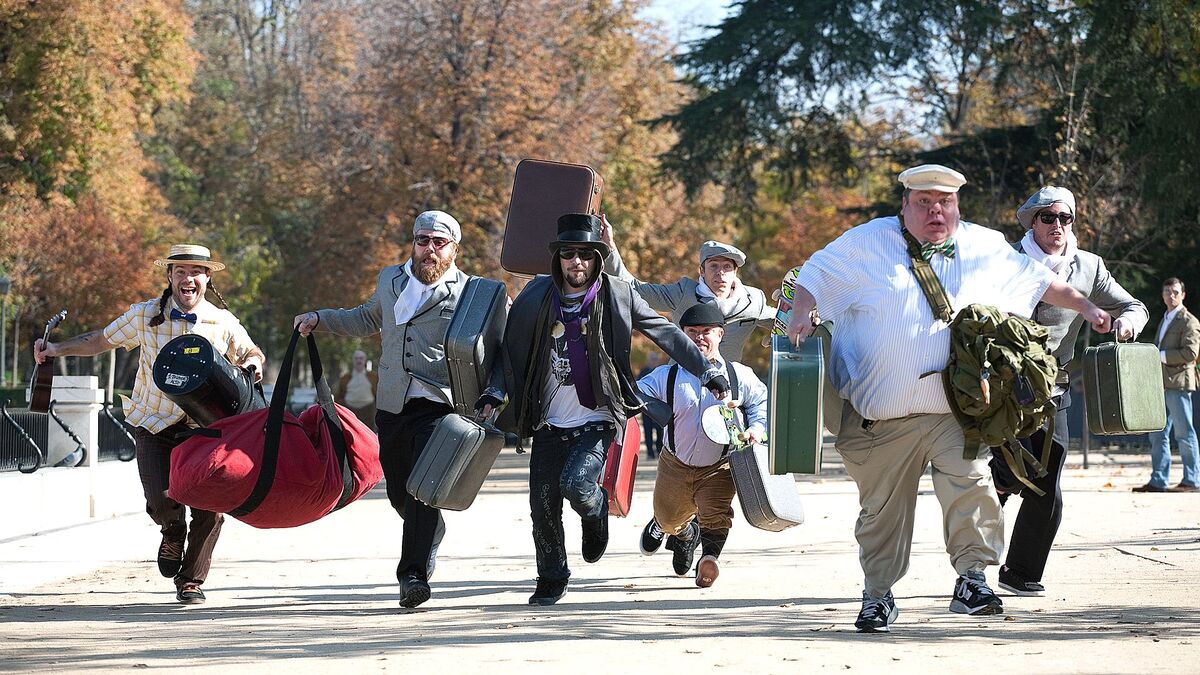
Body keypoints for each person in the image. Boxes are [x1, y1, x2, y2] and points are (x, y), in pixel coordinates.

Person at [785, 164, 1114, 633]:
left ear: (957, 205)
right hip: (882, 417)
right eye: (924, 203)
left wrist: (1086, 306)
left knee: (972, 487)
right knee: (882, 512)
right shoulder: (866, 242)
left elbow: (1039, 282)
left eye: (946, 203)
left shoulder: (983, 246)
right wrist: (802, 310)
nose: (936, 211)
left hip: (954, 412)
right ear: (905, 204)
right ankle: (878, 594)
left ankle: (973, 578)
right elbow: (814, 273)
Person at [476, 213, 729, 606]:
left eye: (586, 254)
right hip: (547, 421)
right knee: (542, 507)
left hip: (597, 417)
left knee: (577, 484)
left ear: (597, 257)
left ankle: (594, 513)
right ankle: (552, 577)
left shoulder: (617, 295)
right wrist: (493, 393)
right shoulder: (535, 296)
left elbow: (666, 333)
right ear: (558, 258)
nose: (577, 262)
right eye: (569, 254)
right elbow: (509, 354)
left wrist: (706, 370)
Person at [33, 244, 264, 605]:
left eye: (196, 271)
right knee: (160, 501)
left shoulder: (223, 321)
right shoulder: (144, 316)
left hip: (205, 429)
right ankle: (172, 531)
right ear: (170, 277)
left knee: (212, 508)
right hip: (153, 423)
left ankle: (191, 580)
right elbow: (100, 340)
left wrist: (253, 366)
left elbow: (252, 352)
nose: (188, 278)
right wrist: (56, 349)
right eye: (180, 271)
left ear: (207, 278)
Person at [293, 210, 469, 608]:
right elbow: (365, 318)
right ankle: (432, 531)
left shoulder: (468, 292)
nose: (429, 249)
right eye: (422, 240)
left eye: (439, 243)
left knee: (424, 489)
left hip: (440, 406)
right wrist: (320, 319)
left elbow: (491, 342)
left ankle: (412, 575)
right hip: (392, 404)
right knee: (400, 494)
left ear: (453, 249)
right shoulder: (391, 280)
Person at [991, 186, 1147, 597]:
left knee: (1047, 486)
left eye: (1065, 218)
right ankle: (971, 568)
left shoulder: (1088, 267)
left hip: (1053, 389)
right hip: (1001, 387)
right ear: (1031, 221)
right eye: (1048, 217)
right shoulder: (1007, 260)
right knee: (1001, 477)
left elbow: (1134, 306)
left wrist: (1125, 326)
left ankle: (1020, 571)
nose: (1057, 225)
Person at [635, 303, 767, 588]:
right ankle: (677, 532)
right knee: (670, 517)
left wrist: (756, 429)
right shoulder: (666, 376)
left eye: (706, 331)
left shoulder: (738, 376)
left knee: (716, 513)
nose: (699, 337)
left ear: (720, 334)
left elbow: (760, 402)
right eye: (691, 332)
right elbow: (635, 395)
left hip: (719, 466)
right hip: (675, 463)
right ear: (681, 336)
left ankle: (709, 558)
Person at [600, 220, 774, 362]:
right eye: (713, 266)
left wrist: (796, 313)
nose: (720, 272)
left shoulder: (754, 301)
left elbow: (781, 322)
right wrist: (609, 248)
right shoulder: (683, 294)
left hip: (728, 386)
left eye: (727, 267)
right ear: (702, 271)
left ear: (735, 272)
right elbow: (636, 289)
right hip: (683, 381)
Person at [1133, 278, 1200, 493]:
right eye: (1167, 292)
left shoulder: (1189, 321)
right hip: (1159, 384)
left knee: (1184, 433)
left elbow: (1191, 353)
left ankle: (1192, 480)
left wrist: (1158, 355)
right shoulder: (1165, 319)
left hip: (1178, 383)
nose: (1170, 296)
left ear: (1183, 295)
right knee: (1157, 434)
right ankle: (1158, 480)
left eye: (1175, 292)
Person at [333, 350, 379, 431]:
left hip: (368, 411)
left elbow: (379, 394)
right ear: (353, 361)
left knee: (369, 433)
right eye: (356, 358)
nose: (359, 360)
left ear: (364, 360)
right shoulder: (345, 378)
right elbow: (338, 395)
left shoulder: (373, 377)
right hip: (350, 410)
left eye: (361, 358)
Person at [637, 351, 664, 459]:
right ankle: (650, 453)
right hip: (646, 407)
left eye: (655, 358)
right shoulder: (643, 372)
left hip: (659, 407)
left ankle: (659, 450)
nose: (653, 361)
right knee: (648, 431)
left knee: (659, 431)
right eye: (651, 358)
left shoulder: (661, 372)